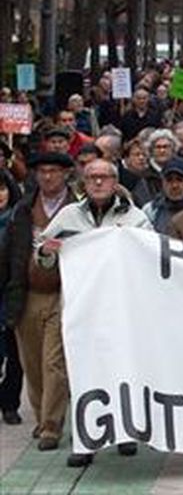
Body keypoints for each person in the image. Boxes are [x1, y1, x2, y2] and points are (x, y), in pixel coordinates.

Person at [37, 158, 151, 467]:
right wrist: (46, 252)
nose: (98, 183)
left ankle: (125, 433)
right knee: (81, 370)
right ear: (83, 183)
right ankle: (85, 441)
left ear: (115, 182)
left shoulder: (135, 217)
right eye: (92, 178)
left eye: (104, 177)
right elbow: (42, 250)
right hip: (80, 308)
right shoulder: (68, 215)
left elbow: (152, 254)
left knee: (123, 367)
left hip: (122, 308)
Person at [0, 152, 79, 453]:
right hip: (27, 293)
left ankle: (51, 425)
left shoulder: (77, 209)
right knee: (31, 363)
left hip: (64, 294)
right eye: (43, 171)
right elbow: (8, 252)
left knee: (53, 363)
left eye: (54, 171)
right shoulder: (23, 209)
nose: (48, 176)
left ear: (65, 174)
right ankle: (41, 414)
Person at [0, 167, 23, 425]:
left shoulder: (18, 221)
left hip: (11, 294)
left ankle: (10, 403)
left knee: (15, 355)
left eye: (2, 188)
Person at [142, 158, 183, 233]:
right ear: (162, 182)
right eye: (169, 180)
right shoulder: (151, 211)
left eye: (179, 180)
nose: (174, 185)